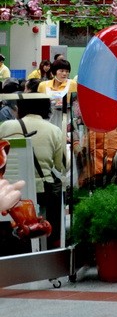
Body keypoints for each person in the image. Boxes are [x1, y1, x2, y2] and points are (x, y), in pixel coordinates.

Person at [0, 95, 67, 247]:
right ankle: (51, 244)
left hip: (8, 194)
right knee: (57, 194)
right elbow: (61, 166)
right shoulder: (54, 130)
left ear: (20, 107)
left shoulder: (5, 127)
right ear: (47, 108)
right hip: (42, 193)